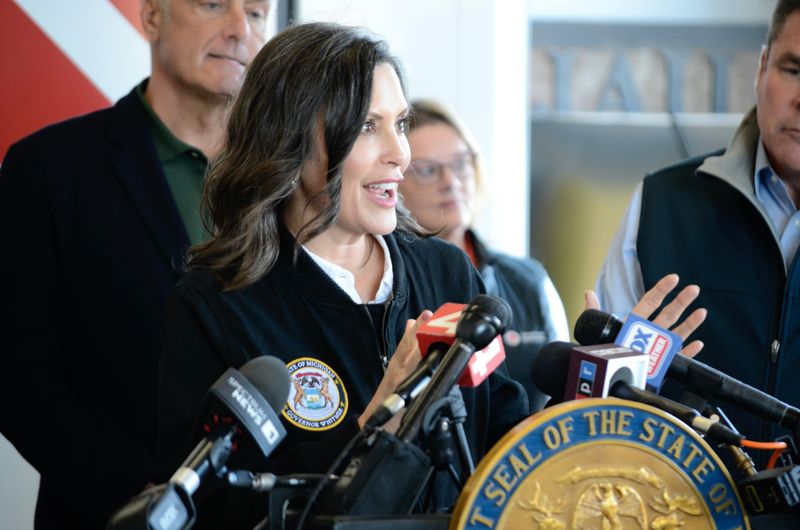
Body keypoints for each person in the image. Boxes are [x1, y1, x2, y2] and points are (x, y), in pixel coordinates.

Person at [157, 21, 707, 529]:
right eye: (368, 126)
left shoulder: (446, 271)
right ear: (289, 140)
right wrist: (377, 427)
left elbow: (506, 458)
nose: (400, 153)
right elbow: (211, 509)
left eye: (400, 124)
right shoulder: (216, 304)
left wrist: (595, 397)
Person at [0, 1, 270, 527]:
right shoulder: (49, 169)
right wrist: (144, 491)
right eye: (212, 4)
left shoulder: (293, 173)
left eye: (257, 13)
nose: (240, 29)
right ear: (151, 18)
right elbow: (20, 373)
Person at [595, 0, 800, 456]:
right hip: (676, 492)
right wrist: (611, 367)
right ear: (762, 68)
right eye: (794, 70)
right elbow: (604, 404)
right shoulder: (661, 203)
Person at [399, 100, 569, 412]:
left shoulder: (528, 280)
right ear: (394, 183)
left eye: (461, 163)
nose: (451, 182)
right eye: (428, 170)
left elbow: (561, 397)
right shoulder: (386, 286)